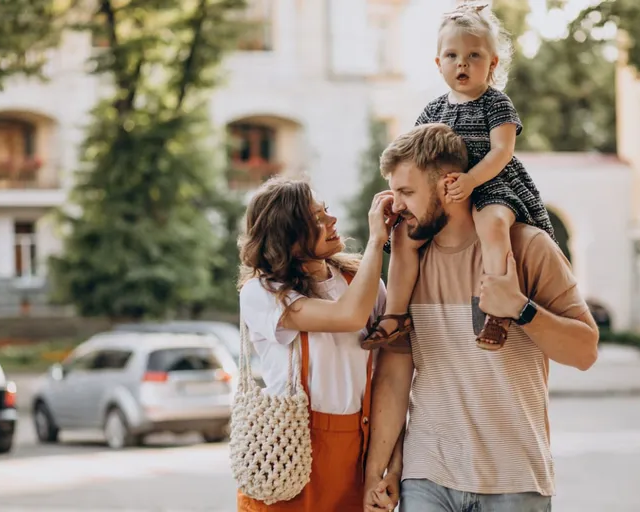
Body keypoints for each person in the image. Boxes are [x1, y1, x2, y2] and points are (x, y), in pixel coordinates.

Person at [363, 123, 599, 512]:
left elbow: (585, 352)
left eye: (407, 192)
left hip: (515, 479)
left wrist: (521, 310)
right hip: (427, 475)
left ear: (448, 185)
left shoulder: (528, 247)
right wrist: (378, 471)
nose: (397, 205)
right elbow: (394, 374)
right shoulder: (407, 263)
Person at [362, 1, 557, 353]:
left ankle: (496, 310)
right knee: (404, 238)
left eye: (474, 55)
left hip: (490, 183)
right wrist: (404, 194)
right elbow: (413, 156)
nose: (462, 63)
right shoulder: (433, 110)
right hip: (443, 191)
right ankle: (395, 315)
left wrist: (471, 180)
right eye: (452, 55)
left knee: (494, 227)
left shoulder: (495, 103)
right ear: (439, 64)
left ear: (492, 64)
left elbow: (502, 151)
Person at [236, 177, 402, 511]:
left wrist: (393, 467)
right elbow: (348, 315)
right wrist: (376, 242)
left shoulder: (361, 282)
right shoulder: (263, 292)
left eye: (326, 211)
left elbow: (389, 379)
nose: (332, 221)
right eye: (316, 219)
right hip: (288, 451)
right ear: (288, 237)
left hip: (357, 448)